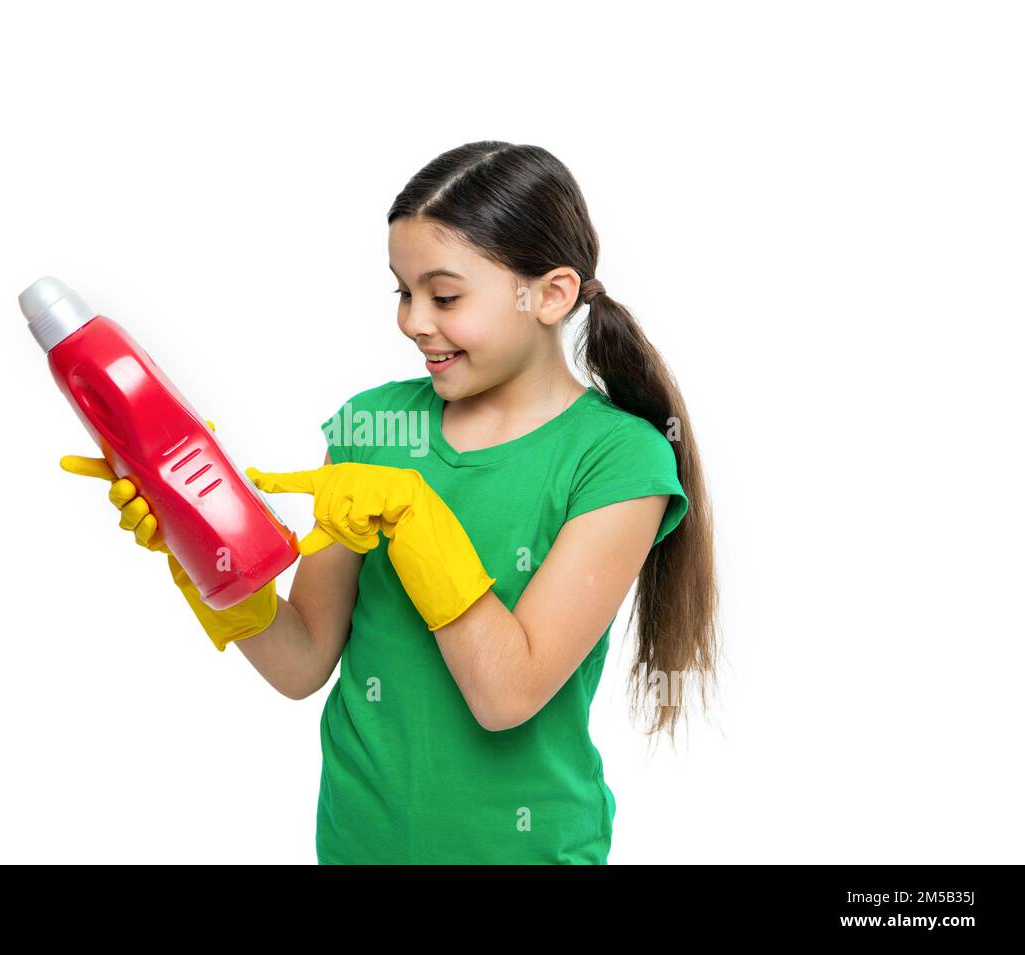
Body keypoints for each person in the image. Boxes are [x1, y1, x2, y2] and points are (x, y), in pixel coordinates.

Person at [62, 140, 719, 864]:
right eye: (402, 292)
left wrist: (417, 521)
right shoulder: (373, 428)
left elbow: (506, 695)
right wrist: (199, 550)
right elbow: (302, 660)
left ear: (551, 295)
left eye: (444, 295)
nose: (412, 320)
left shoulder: (619, 459)